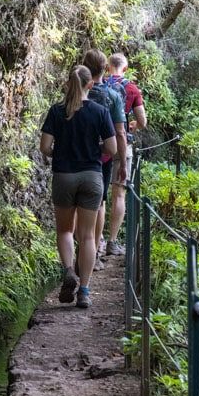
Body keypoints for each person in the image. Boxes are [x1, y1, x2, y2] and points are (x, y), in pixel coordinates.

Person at [40, 66, 117, 309]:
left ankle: (68, 271)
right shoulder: (100, 112)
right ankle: (84, 291)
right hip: (92, 177)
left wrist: (59, 153)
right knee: (87, 236)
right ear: (90, 85)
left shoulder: (56, 111)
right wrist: (96, 151)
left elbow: (44, 147)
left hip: (63, 175)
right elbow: (112, 149)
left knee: (64, 231)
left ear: (68, 84)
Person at [81, 49, 128, 263]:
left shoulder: (76, 92)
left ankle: (79, 253)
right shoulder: (114, 96)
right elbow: (119, 132)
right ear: (104, 69)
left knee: (75, 206)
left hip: (75, 155)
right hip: (103, 158)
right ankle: (96, 250)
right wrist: (122, 161)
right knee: (99, 202)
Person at [104, 52, 147, 254]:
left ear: (107, 67)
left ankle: (96, 243)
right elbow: (143, 121)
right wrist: (134, 125)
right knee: (119, 194)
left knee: (99, 196)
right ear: (126, 68)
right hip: (123, 145)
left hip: (101, 143)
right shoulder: (131, 88)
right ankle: (112, 241)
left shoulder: (99, 85)